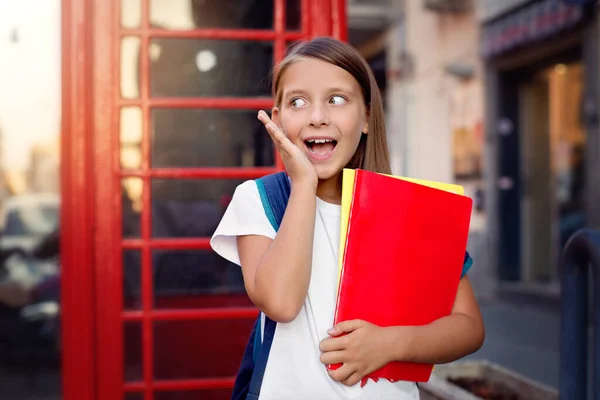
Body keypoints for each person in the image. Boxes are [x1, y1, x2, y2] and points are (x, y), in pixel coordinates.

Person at [210, 37, 485, 400]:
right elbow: (281, 302)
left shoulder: (408, 207)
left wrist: (391, 344)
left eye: (336, 100)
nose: (317, 115)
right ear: (277, 120)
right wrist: (304, 184)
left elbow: (468, 328)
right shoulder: (260, 199)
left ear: (367, 117)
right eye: (297, 101)